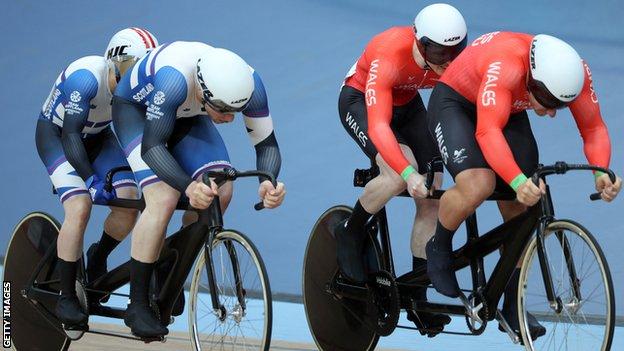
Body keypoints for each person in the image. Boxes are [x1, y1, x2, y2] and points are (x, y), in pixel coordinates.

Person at [426, 32, 622, 340]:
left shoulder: (576, 72)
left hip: (509, 106)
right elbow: (488, 132)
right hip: (457, 103)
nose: (552, 112)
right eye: (545, 102)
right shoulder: (505, 65)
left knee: (527, 203)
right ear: (531, 78)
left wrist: (601, 171)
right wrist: (516, 180)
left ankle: (512, 300)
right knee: (479, 184)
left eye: (560, 103)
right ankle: (438, 245)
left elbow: (594, 128)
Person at [112, 41, 286, 338]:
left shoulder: (250, 83)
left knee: (223, 188)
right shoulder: (173, 81)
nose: (230, 119)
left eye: (236, 111)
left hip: (188, 113)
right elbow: (153, 147)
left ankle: (169, 270)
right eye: (223, 110)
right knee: (163, 198)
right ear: (204, 92)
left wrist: (267, 180)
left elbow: (266, 144)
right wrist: (187, 186)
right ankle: (137, 302)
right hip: (137, 113)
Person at [335, 3, 467, 337]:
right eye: (439, 51)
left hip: (407, 104)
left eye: (455, 51)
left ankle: (417, 294)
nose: (448, 60)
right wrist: (408, 175)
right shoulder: (388, 52)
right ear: (420, 42)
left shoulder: (447, 58)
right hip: (362, 101)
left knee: (434, 189)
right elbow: (379, 126)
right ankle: (350, 232)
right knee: (397, 173)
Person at [35, 27, 158, 329]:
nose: (137, 78)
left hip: (99, 137)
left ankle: (98, 252)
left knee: (129, 198)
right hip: (59, 137)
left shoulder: (137, 86)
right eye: (131, 69)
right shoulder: (86, 79)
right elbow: (71, 135)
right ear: (115, 61)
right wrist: (90, 179)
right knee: (80, 206)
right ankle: (66, 296)